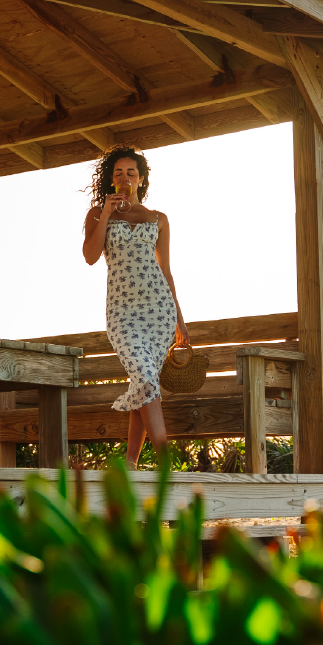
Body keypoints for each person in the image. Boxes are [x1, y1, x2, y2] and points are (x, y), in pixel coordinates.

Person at [83, 146, 190, 468]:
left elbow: (167, 272)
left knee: (144, 382)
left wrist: (180, 322)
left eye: (131, 173)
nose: (125, 178)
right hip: (122, 311)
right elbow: (90, 256)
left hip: (158, 309)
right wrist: (105, 213)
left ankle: (130, 462)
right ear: (110, 180)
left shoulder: (158, 219)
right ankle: (165, 463)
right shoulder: (96, 215)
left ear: (141, 179)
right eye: (118, 173)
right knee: (144, 376)